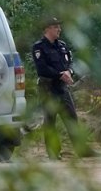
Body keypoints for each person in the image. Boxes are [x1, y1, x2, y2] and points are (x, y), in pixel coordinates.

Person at [31, 16, 89, 160]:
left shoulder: (62, 45)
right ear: (47, 29)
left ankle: (81, 149)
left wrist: (69, 72)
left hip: (62, 88)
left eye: (59, 26)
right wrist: (59, 74)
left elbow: (70, 62)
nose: (59, 29)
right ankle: (53, 153)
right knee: (50, 121)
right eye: (56, 27)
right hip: (48, 88)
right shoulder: (39, 47)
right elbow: (42, 69)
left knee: (71, 118)